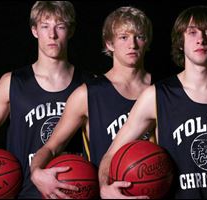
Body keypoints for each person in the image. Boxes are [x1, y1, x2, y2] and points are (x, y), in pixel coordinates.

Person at [98, 5, 207, 199]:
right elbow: (111, 155)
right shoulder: (157, 95)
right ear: (180, 42)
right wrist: (104, 187)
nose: (201, 39)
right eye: (192, 32)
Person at [0, 1, 88, 199]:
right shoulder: (12, 83)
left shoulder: (90, 85)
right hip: (25, 193)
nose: (52, 34)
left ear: (71, 30)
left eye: (60, 26)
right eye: (45, 26)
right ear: (34, 31)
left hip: (75, 192)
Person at [30, 6, 154, 199]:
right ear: (109, 43)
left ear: (147, 42)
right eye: (123, 37)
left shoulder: (162, 92)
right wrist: (37, 172)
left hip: (153, 191)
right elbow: (51, 147)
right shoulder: (87, 94)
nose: (132, 45)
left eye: (139, 37)